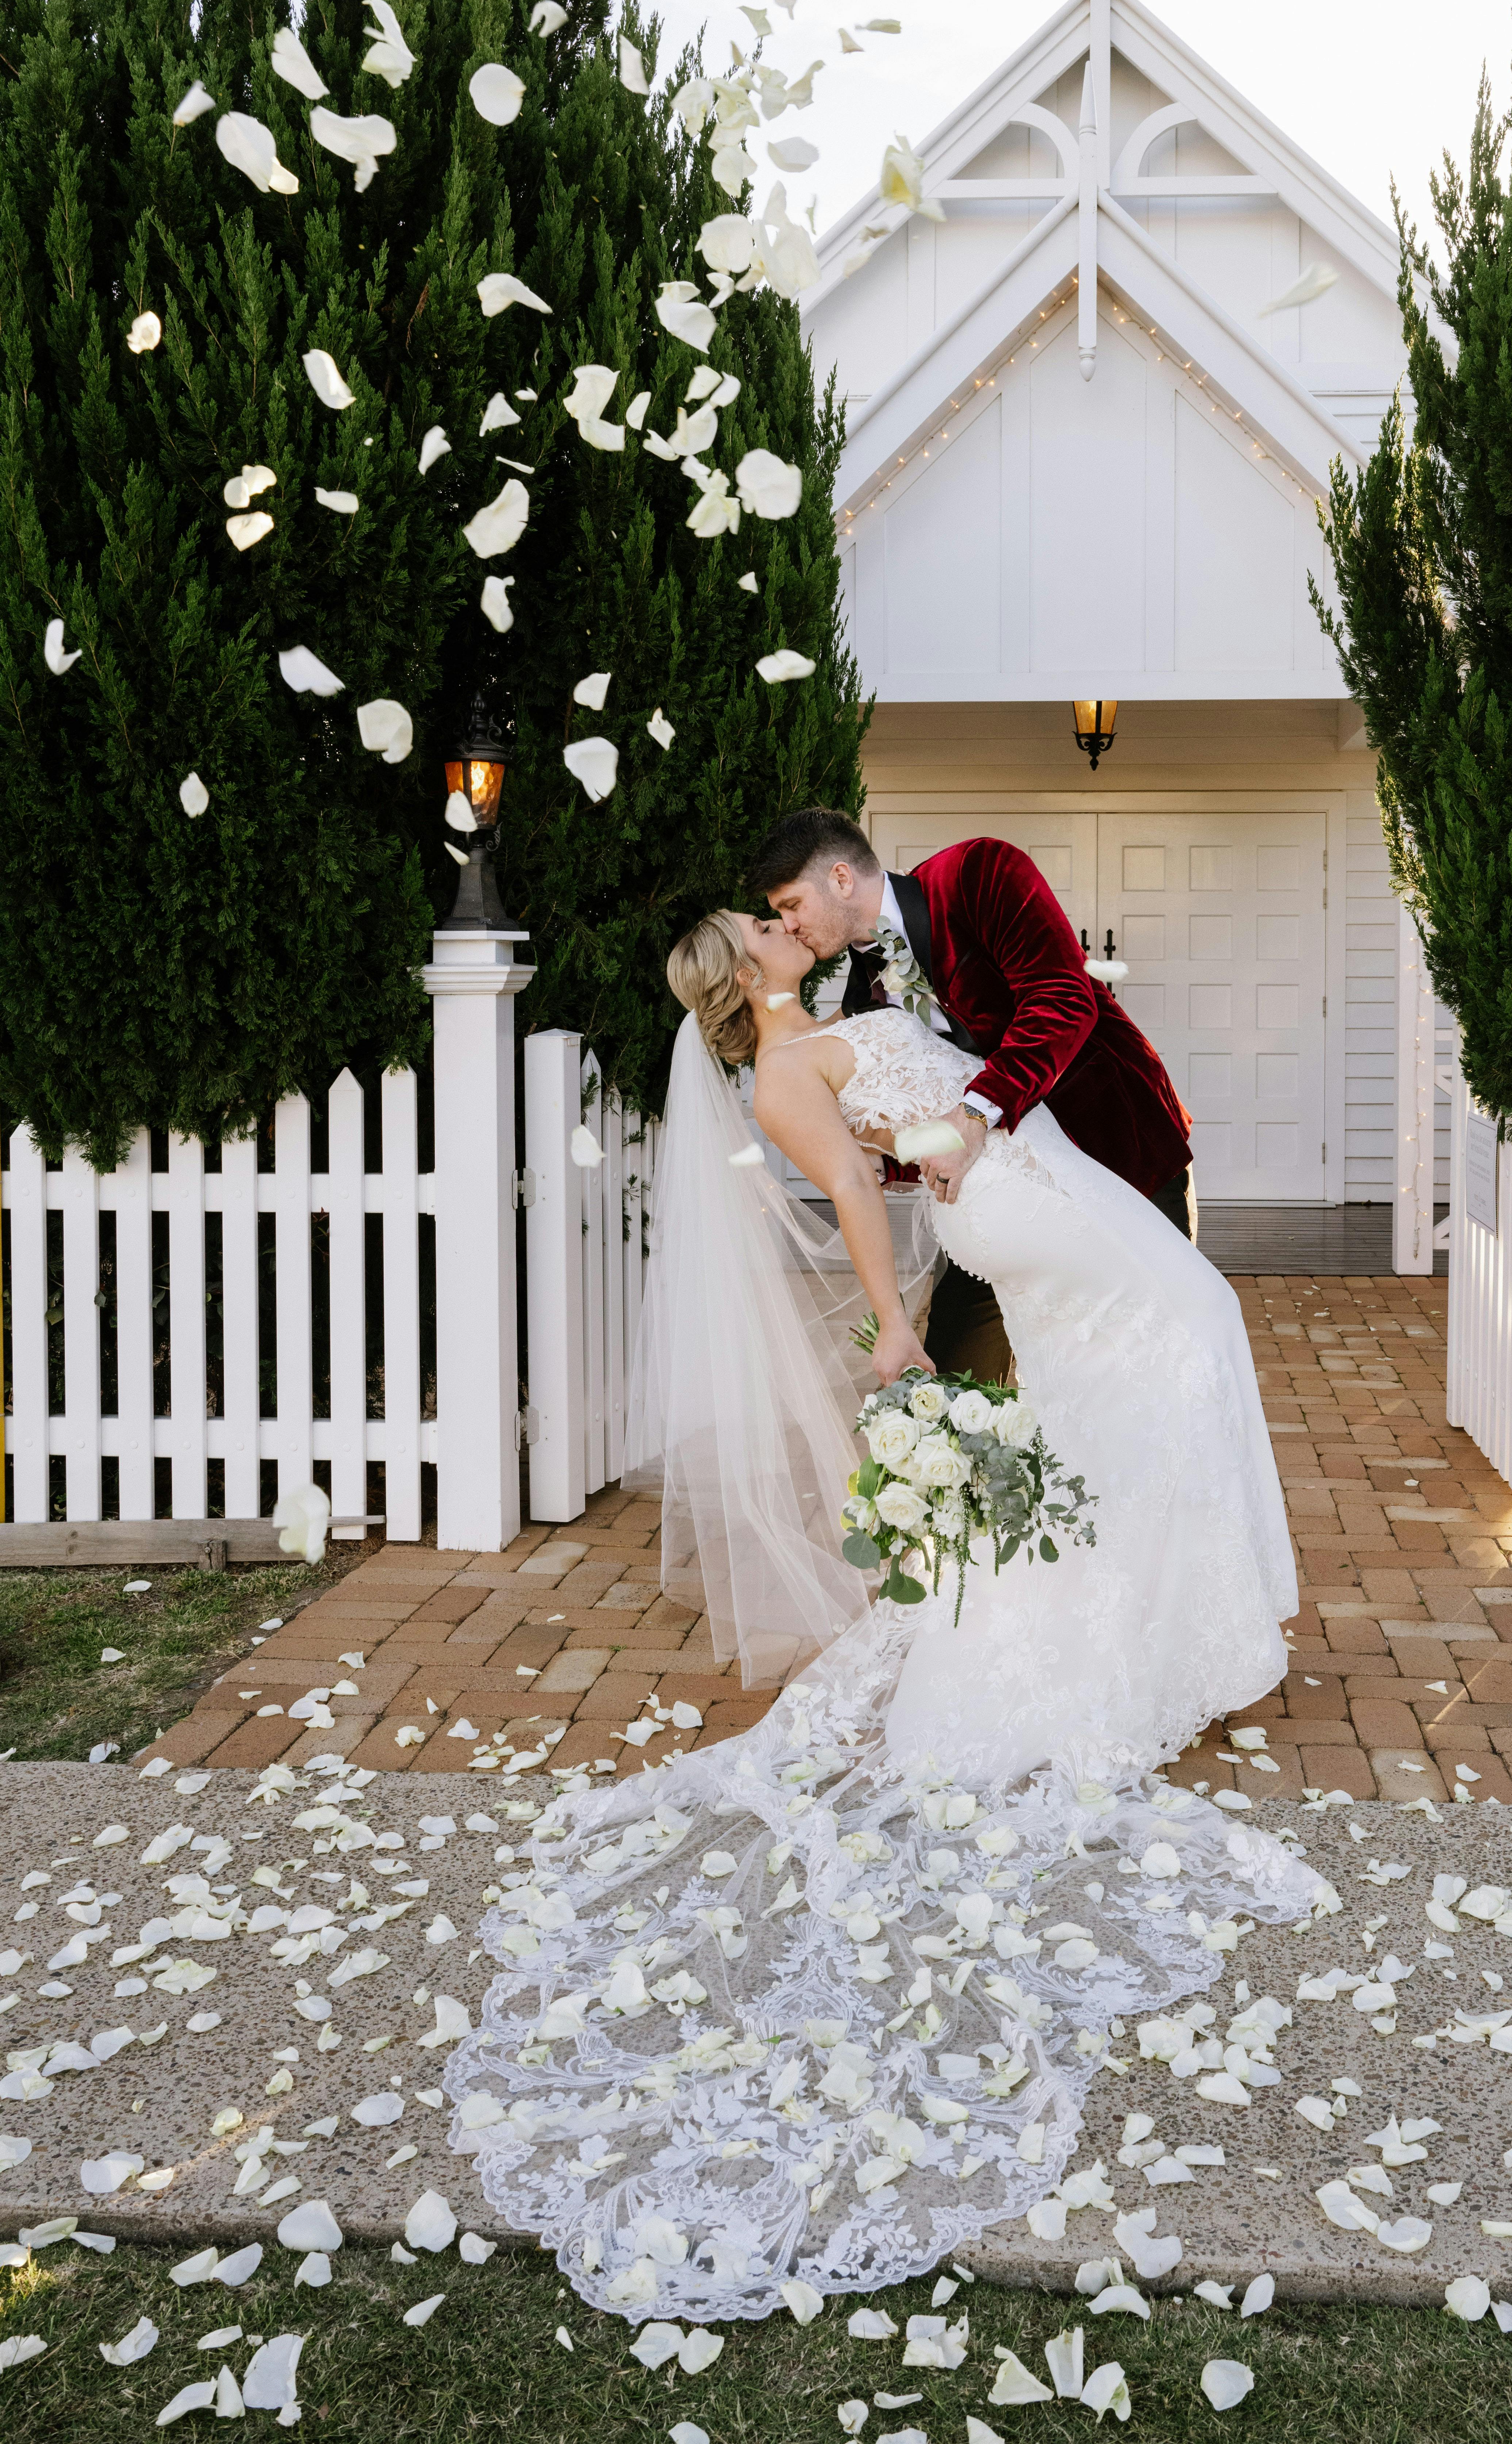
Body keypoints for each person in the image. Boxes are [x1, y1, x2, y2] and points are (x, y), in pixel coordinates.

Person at [445, 906, 1308, 2331]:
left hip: (1034, 1178)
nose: (779, 922)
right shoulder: (781, 1069)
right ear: (743, 978)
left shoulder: (823, 1013)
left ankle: (1153, 1606)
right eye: (756, 929)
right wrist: (893, 1322)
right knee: (1145, 1364)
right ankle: (1111, 1630)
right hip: (1011, 1203)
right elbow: (856, 1182)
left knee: (1119, 1400)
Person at [750, 806, 1194, 1386]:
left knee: (1153, 1350)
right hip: (1003, 1187)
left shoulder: (979, 872)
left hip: (1120, 1149)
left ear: (840, 879)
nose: (787, 925)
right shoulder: (863, 995)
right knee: (958, 1371)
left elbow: (1062, 998)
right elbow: (917, 1099)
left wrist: (974, 1114)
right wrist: (884, 1161)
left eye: (791, 905)